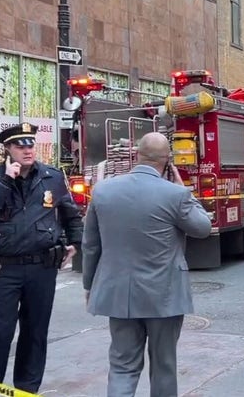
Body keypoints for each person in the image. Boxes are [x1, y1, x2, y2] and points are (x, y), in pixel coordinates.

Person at [82, 132, 211, 397]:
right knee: (163, 365)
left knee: (122, 366)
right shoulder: (175, 195)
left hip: (118, 294)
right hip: (164, 296)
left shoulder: (104, 190)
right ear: (167, 161)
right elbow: (203, 228)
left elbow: (91, 245)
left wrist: (89, 285)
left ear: (136, 155)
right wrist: (185, 191)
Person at [0, 123, 82, 396]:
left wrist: (75, 242)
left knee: (35, 330)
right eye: (20, 145)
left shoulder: (51, 176)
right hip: (4, 267)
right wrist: (6, 180)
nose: (28, 149)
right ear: (6, 149)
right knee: (0, 331)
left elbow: (70, 213)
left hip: (43, 266)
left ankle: (27, 388)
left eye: (31, 144)